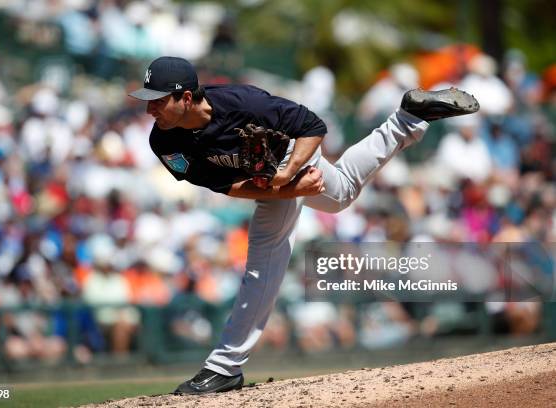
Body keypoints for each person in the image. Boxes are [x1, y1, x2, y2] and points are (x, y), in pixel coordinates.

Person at [128, 56, 479, 394]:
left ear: (186, 97)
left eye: (157, 101)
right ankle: (406, 120)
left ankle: (224, 366)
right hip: (269, 178)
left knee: (263, 260)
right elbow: (226, 186)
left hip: (292, 152)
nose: (149, 110)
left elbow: (312, 126)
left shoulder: (243, 103)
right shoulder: (163, 140)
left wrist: (287, 176)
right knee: (340, 194)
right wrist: (290, 189)